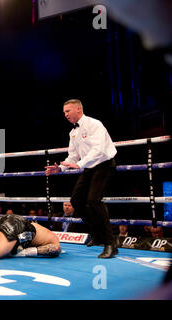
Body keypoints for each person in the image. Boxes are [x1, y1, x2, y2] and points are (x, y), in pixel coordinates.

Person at [45, 99, 117, 258]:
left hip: (104, 164)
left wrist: (80, 164)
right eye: (64, 112)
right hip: (89, 167)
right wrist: (61, 168)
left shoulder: (94, 124)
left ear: (78, 109)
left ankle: (110, 243)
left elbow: (99, 150)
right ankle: (98, 234)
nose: (65, 115)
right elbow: (73, 155)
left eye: (68, 111)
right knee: (76, 200)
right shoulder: (73, 132)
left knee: (94, 200)